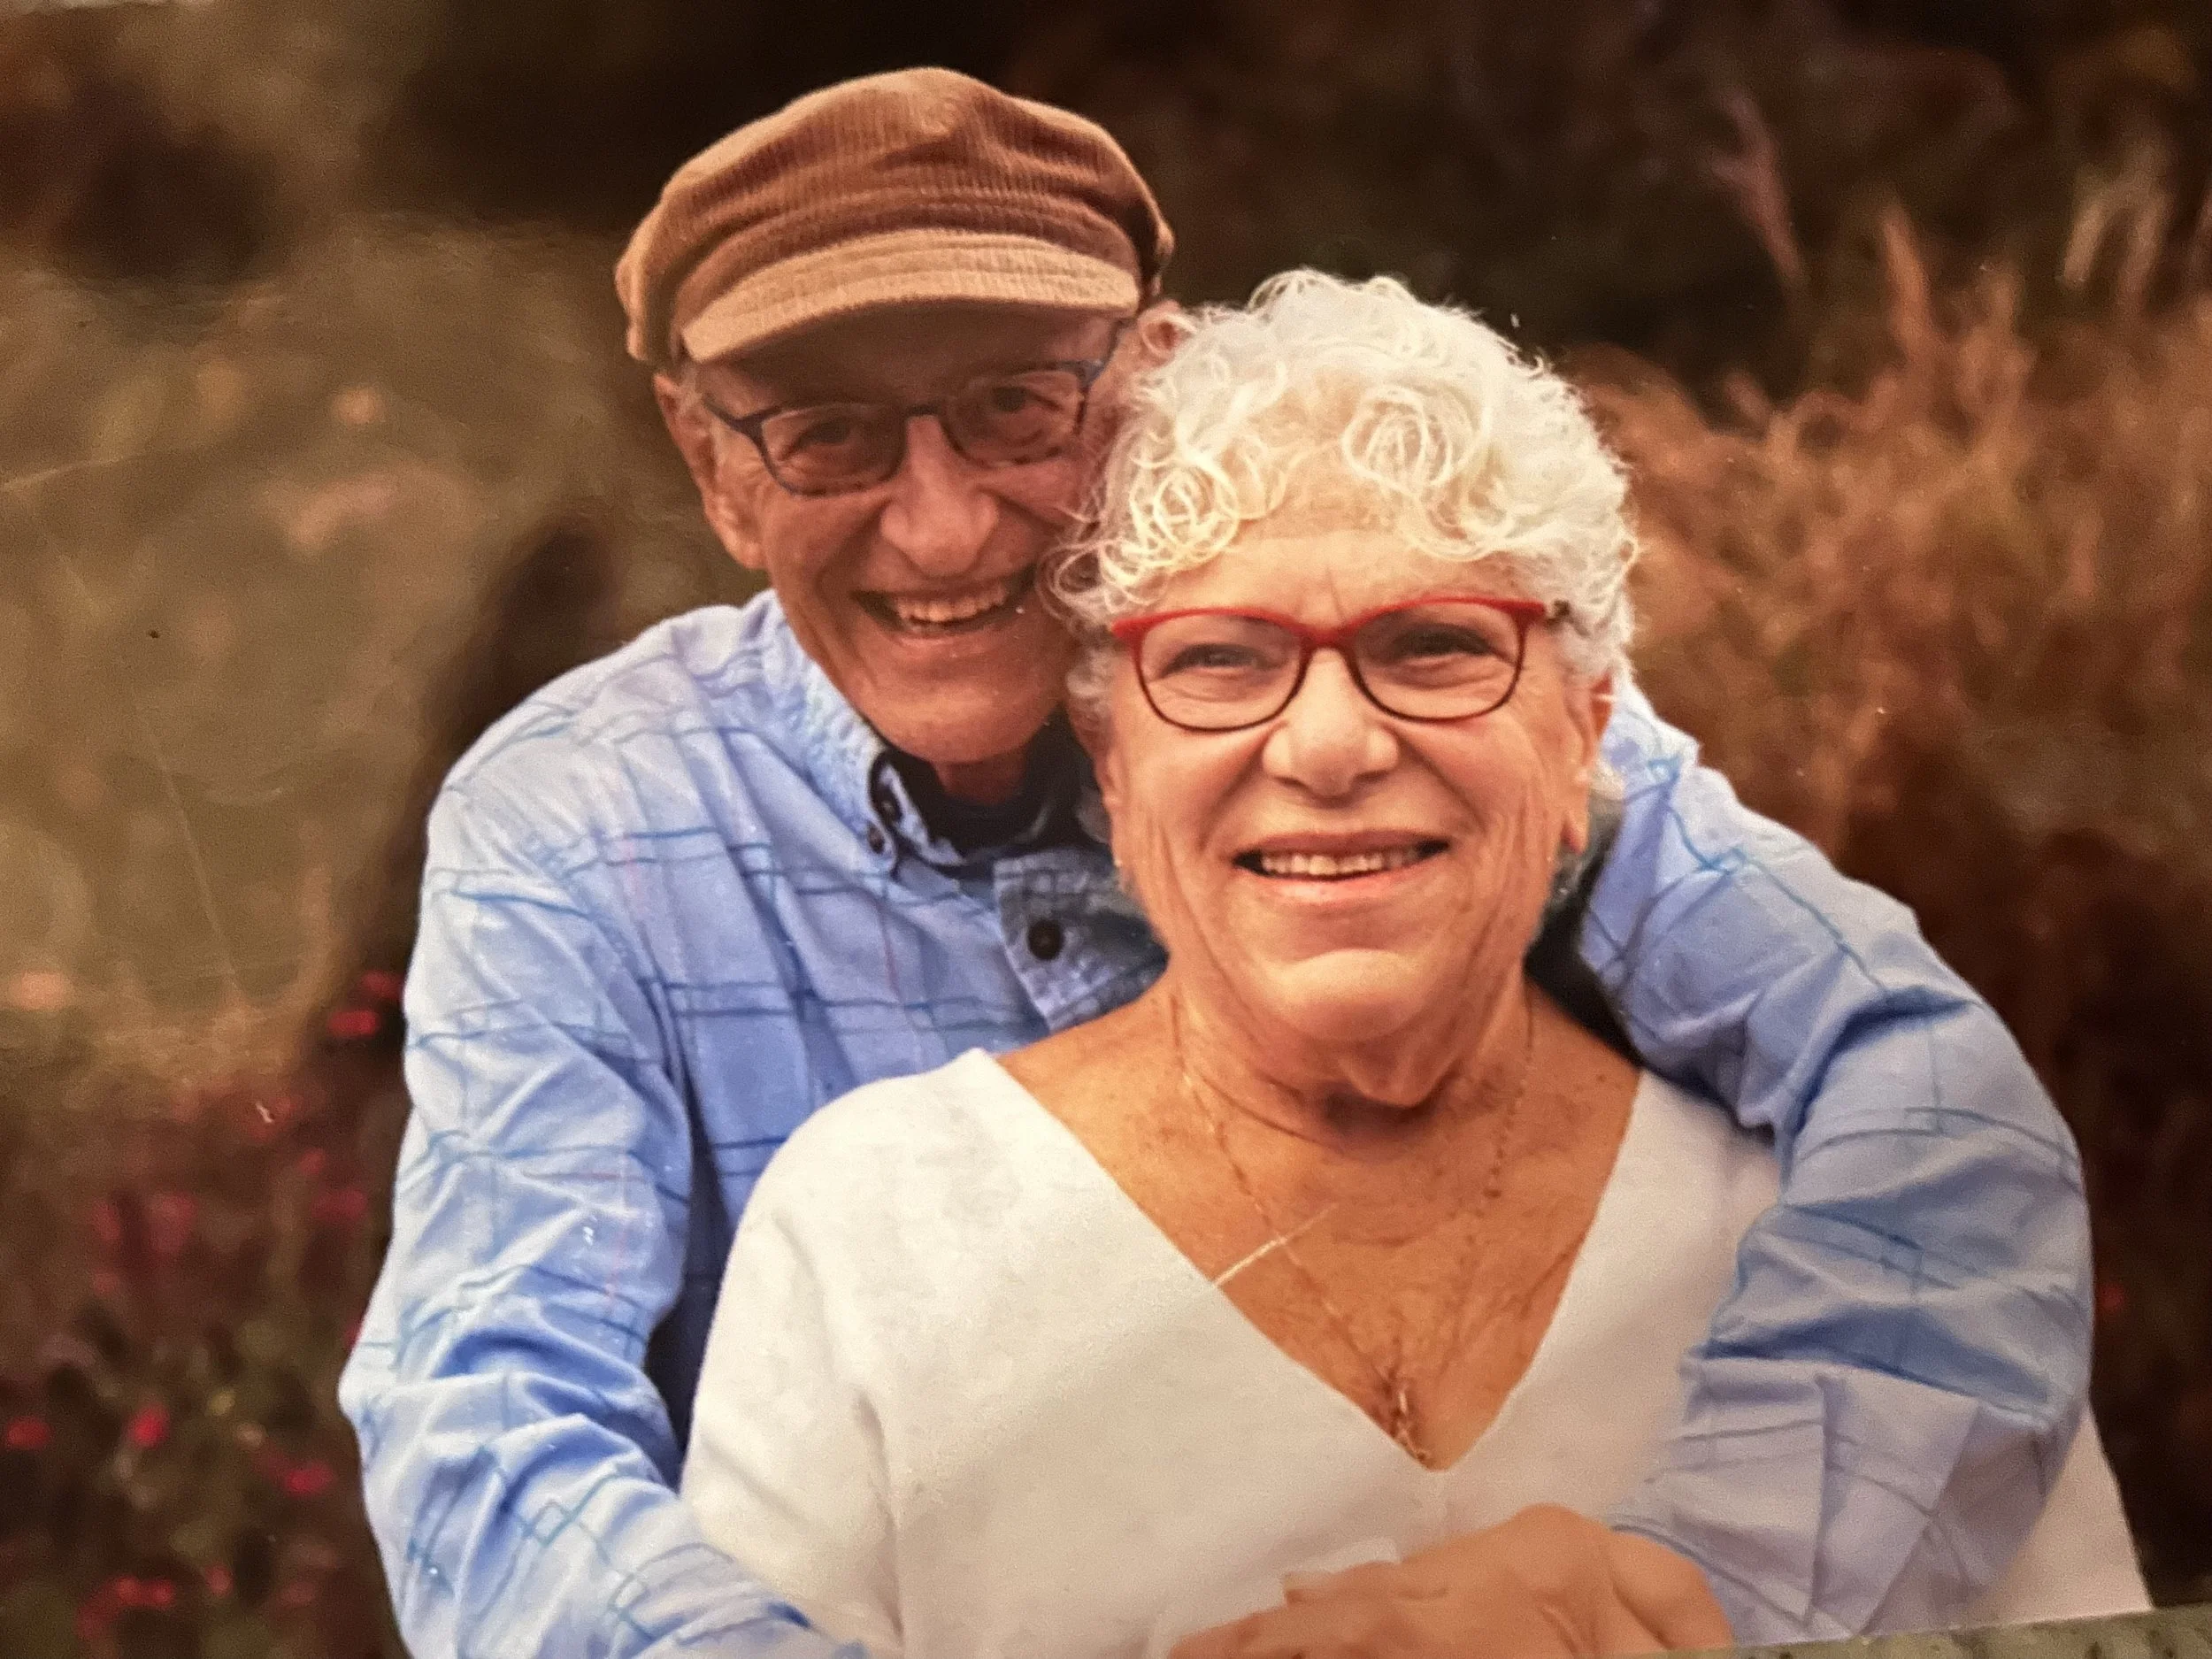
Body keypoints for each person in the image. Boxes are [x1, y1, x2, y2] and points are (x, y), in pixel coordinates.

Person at [338, 70, 2099, 1659]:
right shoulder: (586, 825)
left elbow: (1927, 1100)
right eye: (826, 434)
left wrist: (1677, 1593)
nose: (941, 523)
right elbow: (490, 1414)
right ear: (710, 467)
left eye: (1017, 406)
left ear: (1143, 384)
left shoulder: (1492, 720)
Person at [676, 271, 2148, 1659]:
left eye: (1437, 643)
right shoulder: (874, 1237)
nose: (1327, 746)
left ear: (1585, 737)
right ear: (1114, 770)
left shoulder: (1834, 1235)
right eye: (1220, 658)